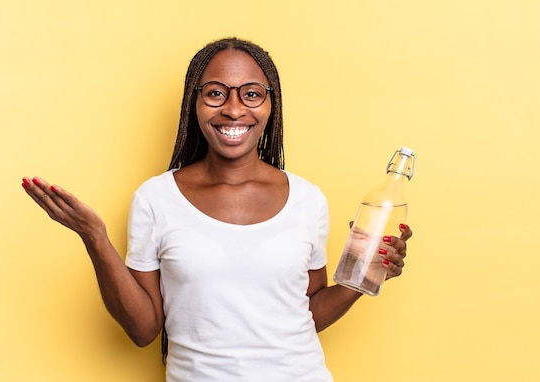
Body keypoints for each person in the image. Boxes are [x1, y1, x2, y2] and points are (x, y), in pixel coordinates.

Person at [21, 37, 412, 381]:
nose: (234, 109)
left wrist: (364, 276)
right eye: (216, 93)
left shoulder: (307, 199)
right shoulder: (156, 198)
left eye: (252, 94)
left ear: (271, 105)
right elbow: (143, 331)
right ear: (195, 103)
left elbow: (307, 314)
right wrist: (95, 238)